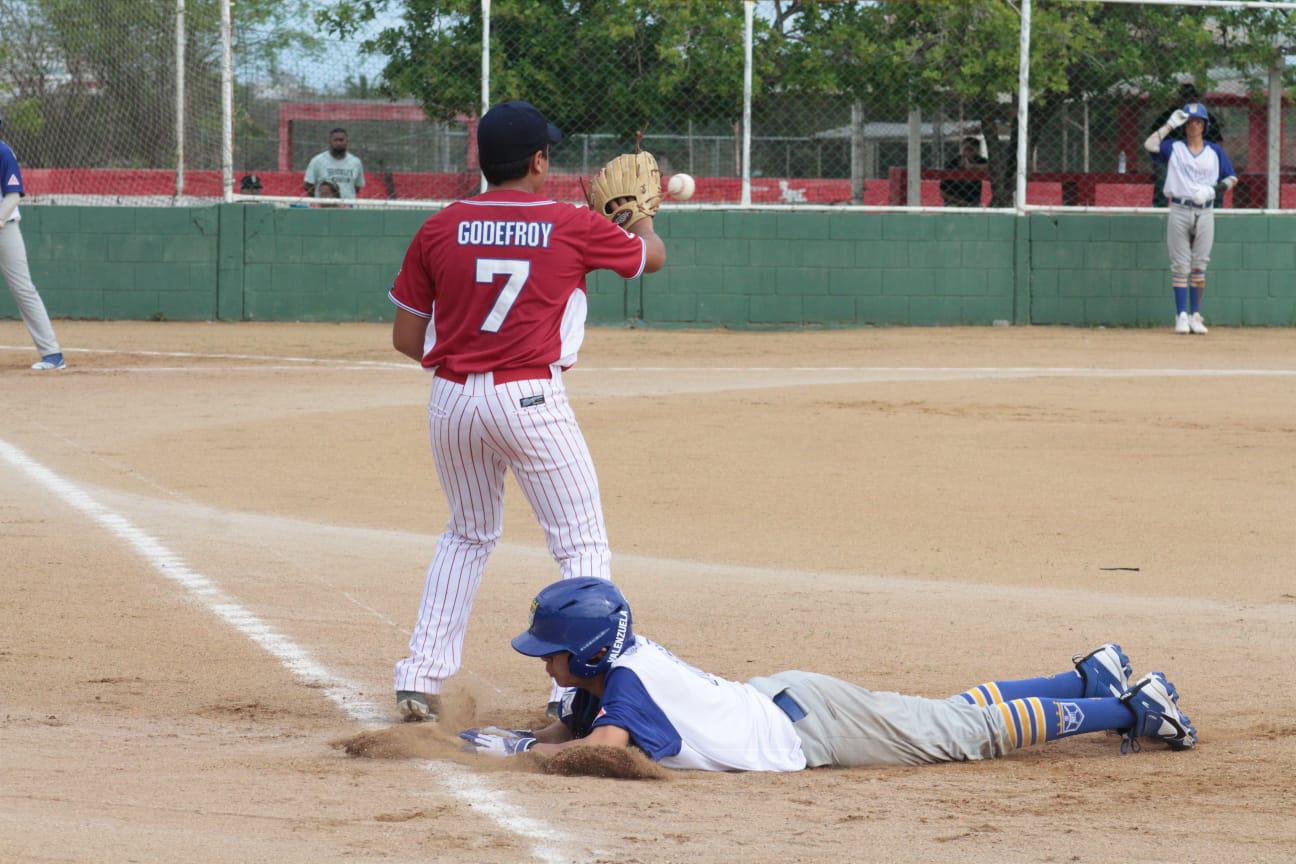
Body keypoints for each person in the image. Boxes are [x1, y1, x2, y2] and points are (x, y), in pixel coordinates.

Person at [387, 101, 666, 722]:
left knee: (466, 534)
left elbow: (408, 340)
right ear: (539, 160)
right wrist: (638, 220)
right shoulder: (568, 222)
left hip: (453, 400)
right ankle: (573, 691)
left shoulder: (439, 226)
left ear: (481, 160)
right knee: (582, 547)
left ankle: (421, 679)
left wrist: (466, 366)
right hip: (532, 398)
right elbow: (651, 260)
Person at [459, 578, 1197, 768]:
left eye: (549, 650)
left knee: (964, 733)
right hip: (795, 704)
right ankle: (1088, 676)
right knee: (946, 714)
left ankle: (1135, 709)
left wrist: (524, 755)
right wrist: (508, 738)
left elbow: (600, 752)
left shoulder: (623, 687)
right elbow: (570, 728)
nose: (543, 660)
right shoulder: (612, 672)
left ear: (586, 650)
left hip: (808, 725)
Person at [1145, 102, 1236, 335]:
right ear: (1184, 125)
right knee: (1180, 265)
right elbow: (1150, 144)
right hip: (1179, 207)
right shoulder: (1174, 147)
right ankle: (1181, 315)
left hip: (1205, 209)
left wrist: (1213, 190)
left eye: (1198, 122)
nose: (1193, 125)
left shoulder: (1214, 150)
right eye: (1190, 122)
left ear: (1204, 125)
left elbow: (1232, 178)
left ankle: (1196, 315)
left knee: (1199, 265)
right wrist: (1168, 125)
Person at [0, 119, 65, 371]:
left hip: (5, 229)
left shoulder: (3, 152)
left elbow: (14, 193)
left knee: (23, 289)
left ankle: (52, 355)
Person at [1147, 85, 1224, 208]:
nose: (1188, 100)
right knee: (1162, 173)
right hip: (1173, 160)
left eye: (1192, 97)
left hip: (1201, 158)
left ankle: (1217, 209)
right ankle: (1159, 208)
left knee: (1219, 175)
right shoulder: (1169, 116)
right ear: (1179, 99)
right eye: (1185, 97)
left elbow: (1218, 144)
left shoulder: (1206, 118)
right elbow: (1154, 140)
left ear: (1196, 99)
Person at [303, 128, 364, 199]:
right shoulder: (317, 161)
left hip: (347, 207)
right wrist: (321, 199)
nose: (338, 143)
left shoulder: (355, 162)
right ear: (329, 142)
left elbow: (356, 187)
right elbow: (308, 185)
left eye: (341, 140)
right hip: (325, 208)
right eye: (335, 140)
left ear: (347, 141)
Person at [939, 136, 988, 208]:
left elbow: (993, 167)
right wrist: (961, 202)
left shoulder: (980, 161)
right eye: (965, 149)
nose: (967, 152)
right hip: (953, 202)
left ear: (977, 151)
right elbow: (942, 192)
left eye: (971, 150)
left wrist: (972, 167)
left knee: (981, 209)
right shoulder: (952, 163)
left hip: (974, 203)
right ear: (961, 149)